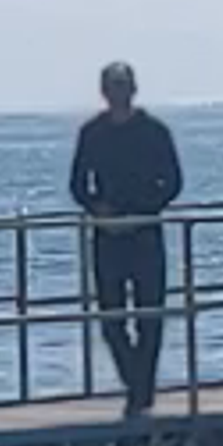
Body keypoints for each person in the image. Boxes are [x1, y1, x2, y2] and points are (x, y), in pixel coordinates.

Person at [67, 56, 186, 420]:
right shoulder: (92, 133)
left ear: (133, 89)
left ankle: (141, 392)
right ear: (103, 92)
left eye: (122, 85)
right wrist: (97, 209)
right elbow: (77, 184)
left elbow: (173, 181)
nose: (117, 93)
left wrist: (145, 210)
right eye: (111, 86)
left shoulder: (154, 131)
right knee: (111, 317)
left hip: (145, 232)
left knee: (149, 315)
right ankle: (135, 382)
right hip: (107, 237)